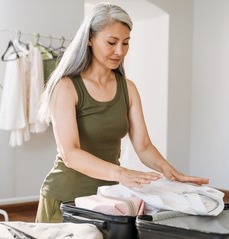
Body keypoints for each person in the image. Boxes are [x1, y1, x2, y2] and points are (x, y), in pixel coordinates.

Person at [35, 3, 209, 223]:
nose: (120, 51)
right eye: (111, 42)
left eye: (126, 43)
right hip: (65, 197)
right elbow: (70, 154)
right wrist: (121, 173)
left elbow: (144, 146)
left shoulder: (128, 88)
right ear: (90, 38)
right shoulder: (66, 87)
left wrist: (170, 172)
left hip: (108, 199)